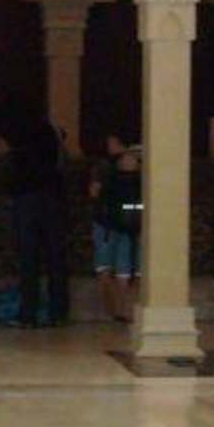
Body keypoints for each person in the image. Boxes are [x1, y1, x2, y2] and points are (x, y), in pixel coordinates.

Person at [1, 99, 71, 328]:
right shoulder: (53, 132)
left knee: (28, 259)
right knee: (55, 257)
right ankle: (58, 312)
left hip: (27, 198)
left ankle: (28, 313)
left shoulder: (18, 135)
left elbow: (7, 163)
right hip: (54, 197)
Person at [89, 135, 143, 324]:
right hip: (134, 226)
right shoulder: (144, 167)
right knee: (129, 271)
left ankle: (116, 311)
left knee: (107, 270)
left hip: (108, 225)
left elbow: (94, 192)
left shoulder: (104, 167)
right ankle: (127, 310)